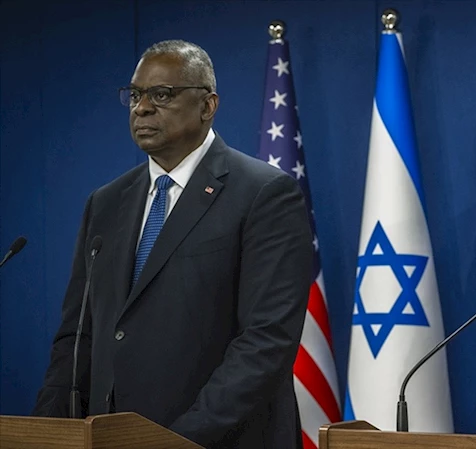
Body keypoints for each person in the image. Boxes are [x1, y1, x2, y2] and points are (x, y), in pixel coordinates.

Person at [32, 40, 312, 449]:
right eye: (135, 95)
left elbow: (266, 341)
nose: (142, 108)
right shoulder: (105, 203)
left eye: (162, 95)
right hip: (112, 437)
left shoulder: (264, 194)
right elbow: (77, 337)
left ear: (207, 105)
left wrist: (176, 440)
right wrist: (43, 433)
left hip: (216, 440)